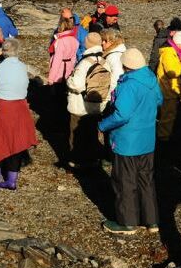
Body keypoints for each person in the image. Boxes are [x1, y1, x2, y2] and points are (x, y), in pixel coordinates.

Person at [97, 48, 162, 234]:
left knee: (125, 181)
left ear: (126, 65)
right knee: (146, 180)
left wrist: (102, 125)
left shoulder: (129, 85)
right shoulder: (150, 79)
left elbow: (122, 115)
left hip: (127, 141)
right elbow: (159, 100)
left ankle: (128, 222)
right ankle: (151, 221)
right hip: (147, 139)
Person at [0, 38, 38, 191]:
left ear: (3, 52)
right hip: (19, 107)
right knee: (16, 144)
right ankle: (12, 180)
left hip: (2, 107)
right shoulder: (23, 67)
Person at [66, 31, 109, 168]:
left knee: (76, 134)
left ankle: (76, 161)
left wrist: (68, 81)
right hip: (97, 104)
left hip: (80, 105)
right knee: (91, 134)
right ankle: (92, 160)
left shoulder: (84, 62)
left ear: (87, 44)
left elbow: (77, 85)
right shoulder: (104, 61)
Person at [155, 29, 181, 141]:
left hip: (169, 87)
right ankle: (163, 136)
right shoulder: (169, 53)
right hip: (168, 88)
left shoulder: (172, 51)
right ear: (179, 43)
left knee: (167, 113)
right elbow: (171, 71)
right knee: (168, 114)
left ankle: (164, 133)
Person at [48, 16, 80, 89]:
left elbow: (57, 61)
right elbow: (74, 58)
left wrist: (51, 78)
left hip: (59, 73)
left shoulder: (61, 41)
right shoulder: (74, 40)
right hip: (68, 71)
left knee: (57, 95)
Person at [100, 29, 127, 102]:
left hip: (113, 97)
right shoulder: (118, 53)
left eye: (105, 41)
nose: (102, 43)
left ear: (112, 42)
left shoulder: (114, 56)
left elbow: (116, 78)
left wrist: (107, 98)